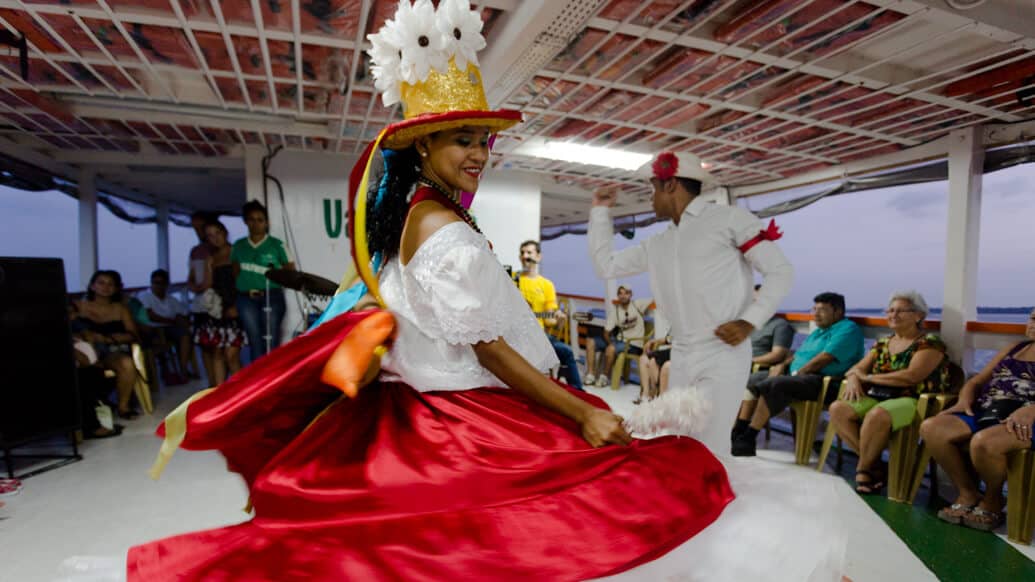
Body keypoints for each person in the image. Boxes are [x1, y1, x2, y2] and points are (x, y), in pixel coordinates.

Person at [106, 4, 846, 580]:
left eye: (481, 143)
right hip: (468, 414)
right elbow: (488, 348)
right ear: (421, 147)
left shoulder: (416, 220)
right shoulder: (448, 234)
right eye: (460, 140)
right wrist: (578, 416)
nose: (475, 157)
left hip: (434, 408)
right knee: (637, 494)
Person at [589, 152, 794, 451]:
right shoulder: (660, 243)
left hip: (724, 352)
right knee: (680, 442)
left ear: (670, 185)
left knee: (710, 446)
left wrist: (750, 320)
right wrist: (599, 212)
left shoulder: (729, 220)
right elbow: (605, 265)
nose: (651, 199)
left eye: (653, 189)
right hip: (682, 354)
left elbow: (780, 270)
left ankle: (720, 495)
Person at [920, 307, 1035, 532]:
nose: (1033, 323)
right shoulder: (1016, 348)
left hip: (1024, 420)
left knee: (983, 442)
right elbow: (976, 382)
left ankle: (992, 500)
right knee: (932, 427)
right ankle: (968, 492)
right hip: (988, 410)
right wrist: (964, 400)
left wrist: (1032, 410)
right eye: (1032, 318)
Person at [828, 291, 948, 494]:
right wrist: (855, 378)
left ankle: (863, 470)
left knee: (877, 414)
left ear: (918, 315)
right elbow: (857, 369)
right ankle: (875, 466)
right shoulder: (883, 343)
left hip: (912, 399)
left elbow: (911, 376)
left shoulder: (930, 343)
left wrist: (868, 378)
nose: (893, 314)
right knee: (838, 408)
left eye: (901, 310)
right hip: (879, 395)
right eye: (890, 310)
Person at [732, 292, 864, 457]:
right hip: (800, 378)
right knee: (753, 381)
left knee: (776, 384)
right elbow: (797, 355)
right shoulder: (818, 332)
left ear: (837, 312)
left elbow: (824, 359)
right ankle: (738, 431)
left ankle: (749, 439)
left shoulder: (848, 329)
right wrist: (782, 365)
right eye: (814, 309)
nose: (815, 313)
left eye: (822, 310)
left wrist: (794, 374)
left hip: (824, 382)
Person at [514, 240, 583, 390]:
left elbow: (550, 321)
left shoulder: (547, 285)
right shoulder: (513, 279)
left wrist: (559, 318)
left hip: (539, 336)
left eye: (529, 253)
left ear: (538, 257)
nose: (525, 256)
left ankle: (578, 393)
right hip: (515, 335)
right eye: (522, 253)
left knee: (566, 352)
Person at [231, 199, 295, 361]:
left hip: (272, 296)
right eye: (251, 219)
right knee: (255, 342)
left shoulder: (277, 245)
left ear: (266, 222)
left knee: (271, 341)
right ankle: (259, 382)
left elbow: (290, 271)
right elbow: (235, 272)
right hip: (246, 299)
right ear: (245, 221)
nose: (256, 224)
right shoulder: (238, 246)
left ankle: (273, 379)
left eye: (260, 220)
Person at [72, 270, 140, 420]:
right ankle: (89, 411)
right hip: (85, 352)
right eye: (101, 283)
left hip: (110, 351)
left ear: (116, 288)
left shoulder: (120, 309)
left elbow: (133, 335)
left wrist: (107, 339)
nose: (105, 287)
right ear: (92, 286)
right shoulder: (78, 306)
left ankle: (123, 407)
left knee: (126, 363)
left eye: (110, 284)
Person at [193, 220, 245, 385]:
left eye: (217, 233)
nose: (215, 238)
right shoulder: (211, 258)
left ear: (225, 232)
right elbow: (208, 286)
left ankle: (241, 394)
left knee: (231, 355)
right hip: (218, 310)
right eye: (210, 236)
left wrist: (237, 306)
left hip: (236, 308)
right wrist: (206, 270)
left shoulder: (236, 253)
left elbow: (242, 283)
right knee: (217, 353)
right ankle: (219, 394)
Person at [585, 286, 653, 388]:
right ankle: (591, 375)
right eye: (620, 293)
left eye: (626, 293)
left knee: (611, 348)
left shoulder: (637, 304)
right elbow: (606, 332)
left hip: (634, 344)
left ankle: (605, 377)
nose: (623, 296)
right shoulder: (616, 311)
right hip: (619, 341)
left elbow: (655, 298)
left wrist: (611, 346)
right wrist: (610, 343)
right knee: (590, 341)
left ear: (630, 295)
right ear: (618, 296)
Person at [137, 269, 194, 385]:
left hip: (170, 328)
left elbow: (182, 314)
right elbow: (151, 316)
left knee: (185, 334)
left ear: (166, 284)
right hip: (152, 330)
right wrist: (172, 321)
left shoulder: (171, 299)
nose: (157, 286)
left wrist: (183, 322)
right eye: (155, 283)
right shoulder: (144, 296)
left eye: (161, 283)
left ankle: (183, 369)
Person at [187, 210, 216, 383]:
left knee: (218, 346)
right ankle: (210, 382)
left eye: (200, 228)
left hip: (215, 303)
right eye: (195, 228)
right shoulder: (195, 251)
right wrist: (192, 285)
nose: (198, 232)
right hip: (198, 302)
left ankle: (221, 383)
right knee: (204, 343)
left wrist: (205, 285)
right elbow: (190, 274)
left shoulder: (218, 249)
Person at [637, 309, 672, 404]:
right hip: (671, 350)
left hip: (678, 353)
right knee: (643, 358)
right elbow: (669, 339)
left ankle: (657, 394)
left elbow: (679, 342)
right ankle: (646, 394)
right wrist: (654, 341)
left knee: (653, 360)